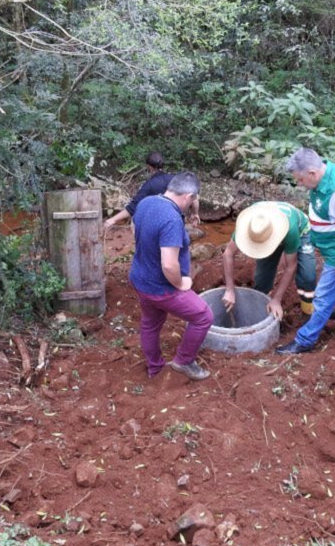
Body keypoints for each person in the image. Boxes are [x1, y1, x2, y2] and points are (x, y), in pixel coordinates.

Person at [276, 147, 335, 354]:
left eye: (300, 179)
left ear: (312, 173)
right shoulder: (323, 172)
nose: (299, 184)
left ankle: (305, 340)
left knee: (323, 297)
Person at [129, 172, 213, 381]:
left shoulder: (147, 203)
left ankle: (155, 368)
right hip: (162, 288)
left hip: (140, 278)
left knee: (150, 323)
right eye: (193, 200)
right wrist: (181, 282)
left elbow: (133, 227)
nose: (193, 205)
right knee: (203, 316)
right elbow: (168, 264)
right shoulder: (171, 220)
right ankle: (183, 361)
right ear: (188, 197)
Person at [222, 202, 317, 320]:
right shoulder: (251, 226)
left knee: (308, 275)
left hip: (301, 230)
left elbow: (291, 266)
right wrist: (229, 289)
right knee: (262, 281)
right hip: (267, 234)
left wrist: (277, 299)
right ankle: (261, 310)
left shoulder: (291, 230)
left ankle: (308, 312)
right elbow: (228, 254)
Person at [104, 152, 200, 231]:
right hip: (177, 223)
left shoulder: (149, 185)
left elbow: (132, 208)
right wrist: (195, 214)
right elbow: (194, 199)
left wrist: (113, 219)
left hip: (160, 226)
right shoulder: (176, 179)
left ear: (149, 167)